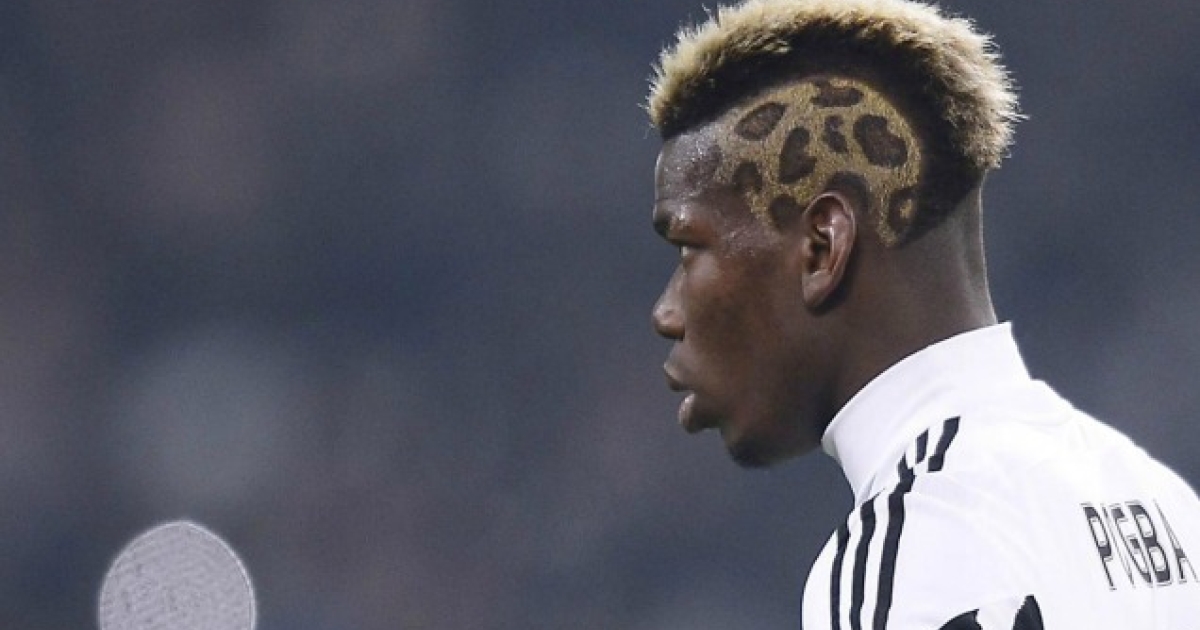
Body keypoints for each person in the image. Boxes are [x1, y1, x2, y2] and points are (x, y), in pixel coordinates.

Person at [645, 0, 1200, 627]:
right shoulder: (1162, 506)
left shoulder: (918, 535)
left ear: (822, 248)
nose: (666, 312)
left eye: (689, 248)